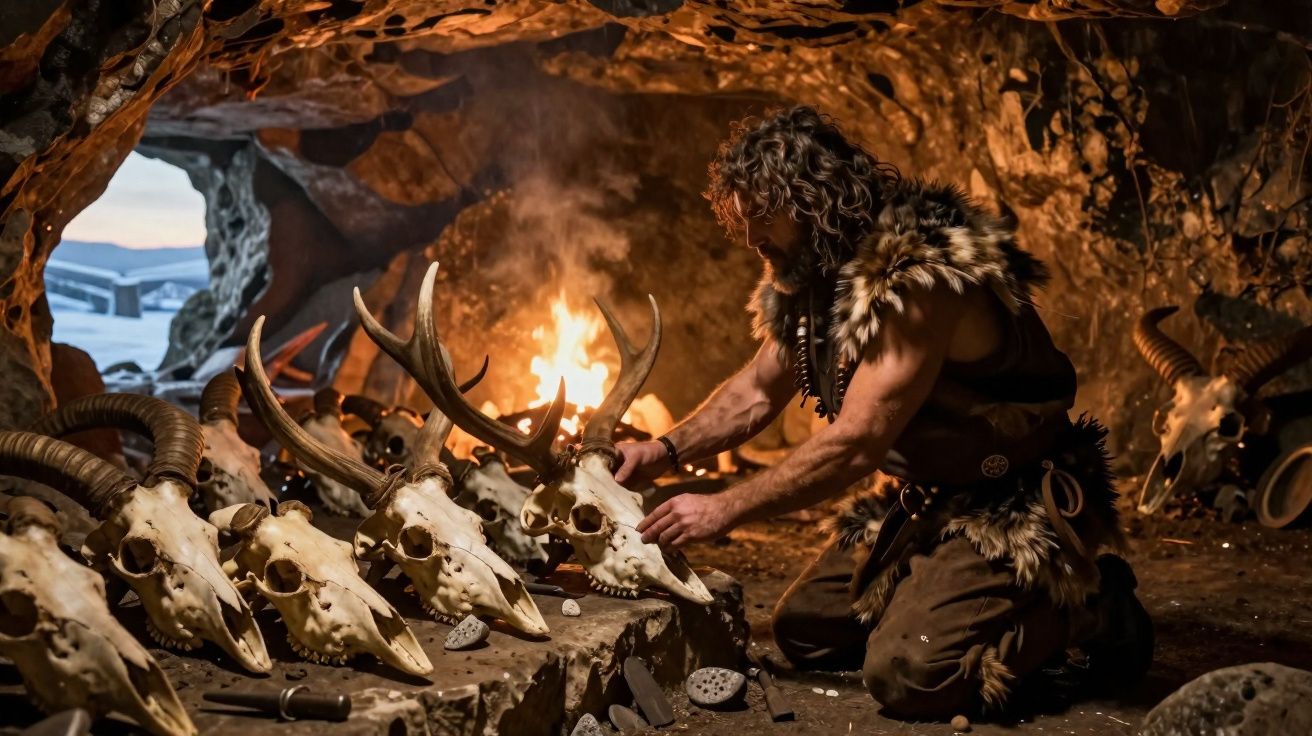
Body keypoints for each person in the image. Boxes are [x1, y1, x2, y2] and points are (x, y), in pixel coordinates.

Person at [615, 105, 1151, 720]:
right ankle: (942, 594)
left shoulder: (919, 279)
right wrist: (663, 450)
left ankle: (1089, 609)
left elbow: (858, 441)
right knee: (805, 631)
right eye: (741, 216)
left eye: (762, 215)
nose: (747, 234)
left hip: (1009, 501)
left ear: (816, 201)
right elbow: (758, 392)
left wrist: (724, 506)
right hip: (923, 499)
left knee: (909, 676)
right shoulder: (814, 279)